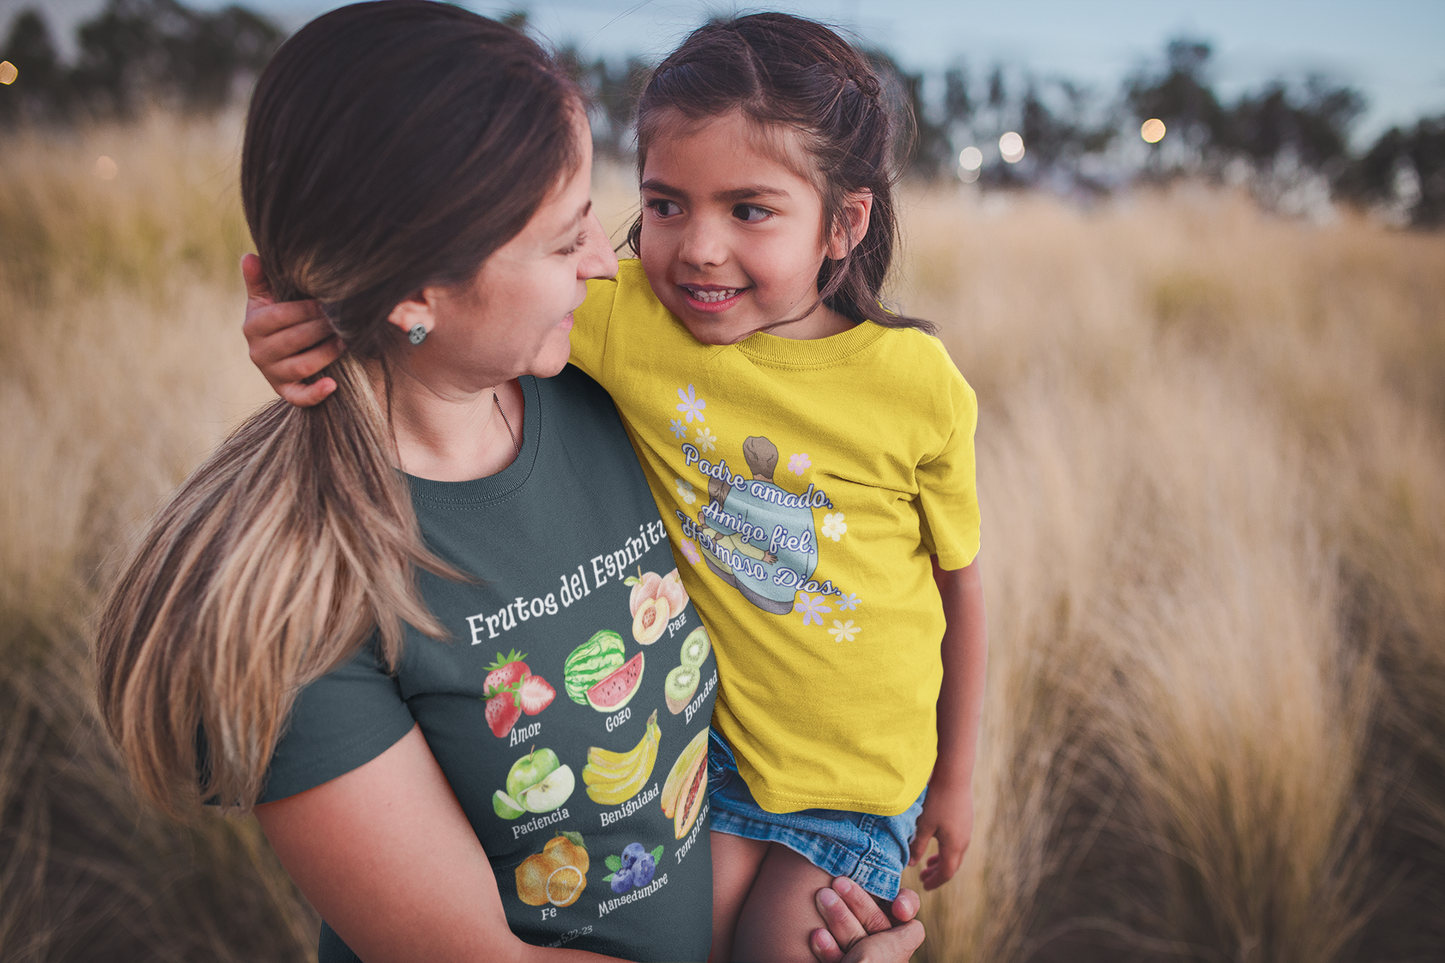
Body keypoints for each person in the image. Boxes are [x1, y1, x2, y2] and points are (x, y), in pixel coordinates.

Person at [94, 4, 925, 963]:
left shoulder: (604, 395)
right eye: (561, 239)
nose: (599, 266)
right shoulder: (291, 596)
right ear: (416, 293)